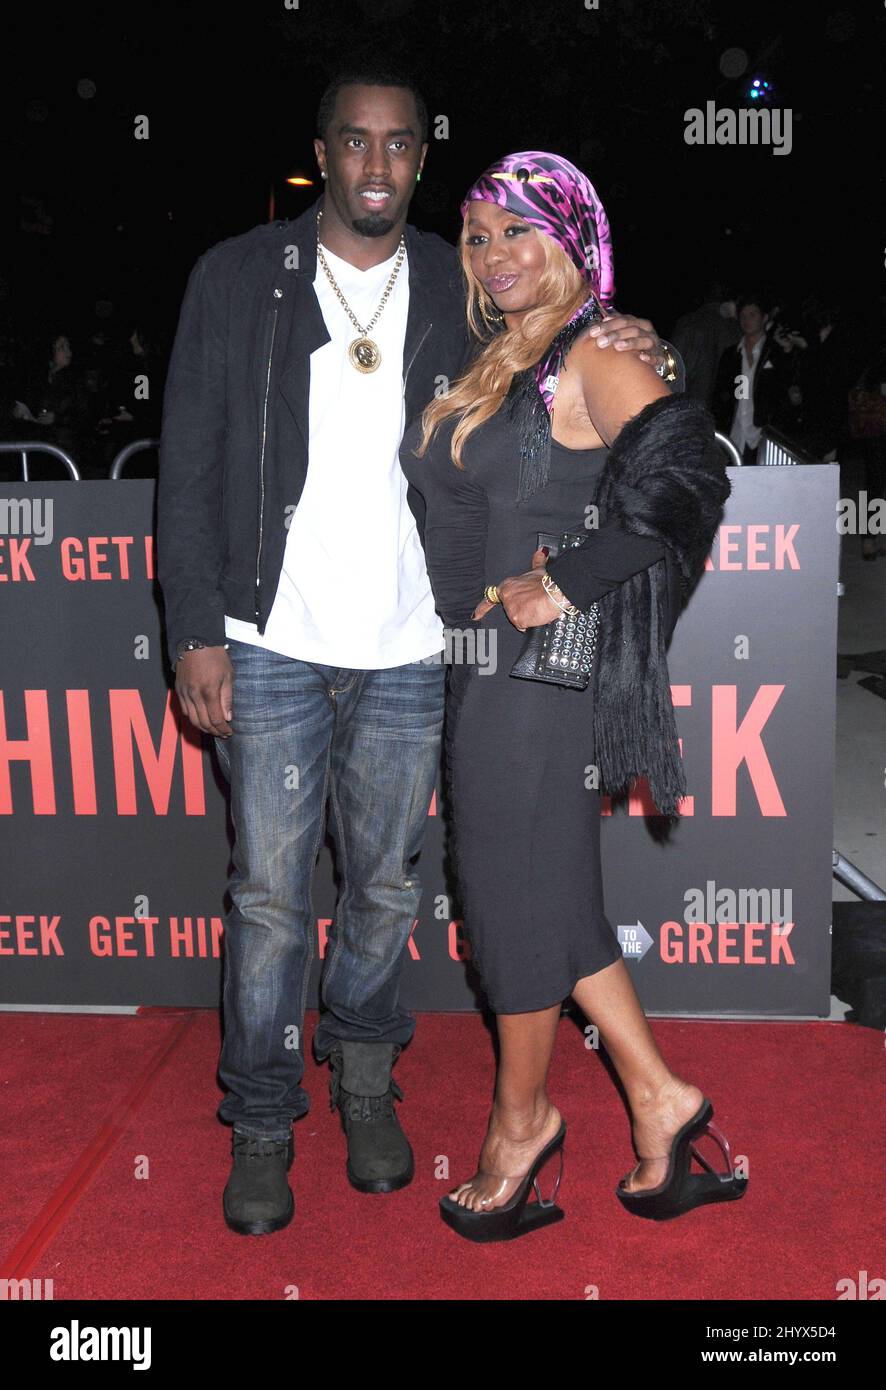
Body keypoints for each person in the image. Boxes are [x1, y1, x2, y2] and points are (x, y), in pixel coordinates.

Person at [157, 74, 676, 1238]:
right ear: (323, 154)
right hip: (270, 635)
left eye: (399, 143)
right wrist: (193, 628)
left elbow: (562, 330)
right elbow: (186, 463)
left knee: (388, 888)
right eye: (355, 141)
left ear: (423, 157)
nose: (376, 163)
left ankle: (364, 1079)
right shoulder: (239, 277)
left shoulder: (464, 275)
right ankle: (260, 1117)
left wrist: (627, 332)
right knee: (271, 899)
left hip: (411, 646)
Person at [401, 151, 746, 1242]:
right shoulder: (505, 354)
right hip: (481, 662)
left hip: (540, 675)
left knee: (503, 901)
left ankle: (520, 1122)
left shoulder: (592, 350)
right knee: (549, 894)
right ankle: (660, 1099)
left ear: (569, 235)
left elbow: (688, 477)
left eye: (518, 230)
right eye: (477, 235)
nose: (494, 254)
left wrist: (564, 581)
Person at [712, 292, 794, 463]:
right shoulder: (731, 354)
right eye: (742, 315)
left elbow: (786, 387)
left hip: (763, 434)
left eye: (752, 314)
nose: (746, 320)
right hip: (734, 433)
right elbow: (720, 393)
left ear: (764, 318)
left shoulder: (776, 352)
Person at [671, 280, 740, 410]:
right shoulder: (735, 328)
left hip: (686, 405)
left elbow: (674, 369)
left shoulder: (688, 322)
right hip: (720, 410)